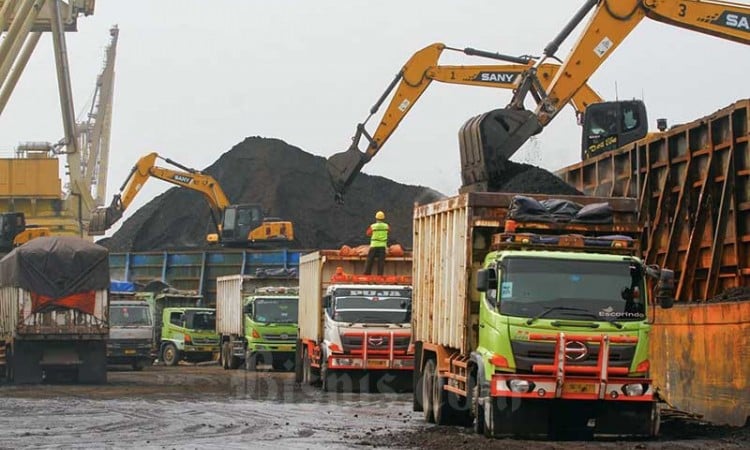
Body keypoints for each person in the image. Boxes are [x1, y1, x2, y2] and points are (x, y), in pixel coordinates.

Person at [364, 210, 389, 275]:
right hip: (382, 246)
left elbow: (368, 233)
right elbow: (388, 231)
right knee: (381, 263)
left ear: (376, 218)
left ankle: (367, 275)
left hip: (374, 246)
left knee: (369, 261)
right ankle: (380, 276)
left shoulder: (373, 226)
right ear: (383, 218)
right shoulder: (386, 226)